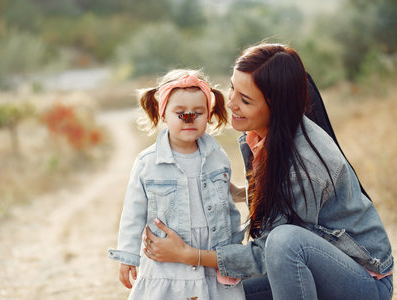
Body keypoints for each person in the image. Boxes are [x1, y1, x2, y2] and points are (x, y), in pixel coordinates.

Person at [142, 44, 394, 300]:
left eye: (245, 100)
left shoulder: (304, 164)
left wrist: (189, 255)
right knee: (216, 294)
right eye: (232, 88)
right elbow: (277, 206)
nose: (231, 103)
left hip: (362, 283)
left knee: (284, 241)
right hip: (309, 267)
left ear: (275, 105)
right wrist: (232, 191)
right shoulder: (261, 136)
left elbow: (269, 251)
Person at [108, 69, 246, 299]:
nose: (189, 119)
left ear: (209, 115)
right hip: (168, 264)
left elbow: (227, 204)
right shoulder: (148, 163)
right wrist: (127, 256)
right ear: (164, 114)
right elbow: (133, 213)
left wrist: (233, 249)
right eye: (180, 113)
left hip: (211, 257)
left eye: (198, 112)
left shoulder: (217, 156)